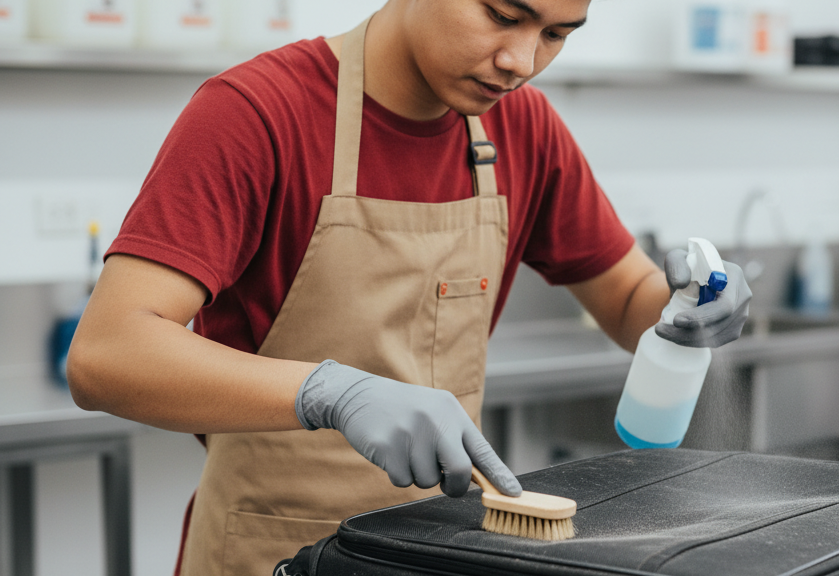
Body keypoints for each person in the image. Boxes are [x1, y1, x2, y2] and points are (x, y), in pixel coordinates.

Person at [67, 0, 752, 573]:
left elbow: (628, 298)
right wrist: (330, 393)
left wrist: (684, 311)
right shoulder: (257, 112)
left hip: (438, 551)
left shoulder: (525, 129)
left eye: (554, 34)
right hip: (272, 549)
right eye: (501, 14)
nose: (520, 61)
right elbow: (106, 356)